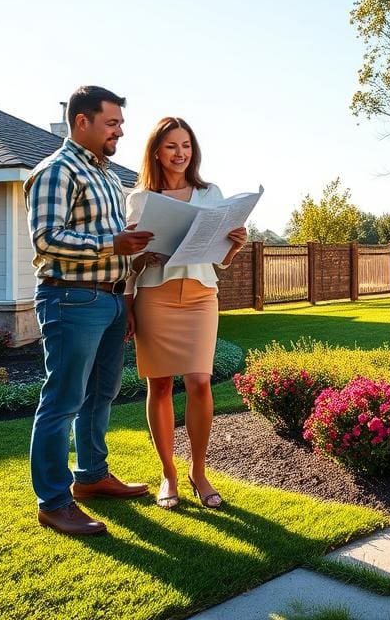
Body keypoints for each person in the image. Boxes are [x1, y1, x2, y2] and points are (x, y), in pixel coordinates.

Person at [26, 85, 155, 536]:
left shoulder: (105, 175)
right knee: (62, 401)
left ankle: (92, 476)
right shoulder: (55, 171)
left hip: (112, 297)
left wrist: (137, 251)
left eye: (120, 122)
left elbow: (111, 239)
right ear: (82, 121)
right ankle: (54, 501)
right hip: (71, 298)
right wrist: (111, 244)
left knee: (101, 394)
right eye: (112, 122)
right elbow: (46, 238)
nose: (121, 130)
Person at [125, 117, 247, 509]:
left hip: (199, 296)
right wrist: (143, 259)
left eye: (187, 146)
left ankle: (198, 470)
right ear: (156, 152)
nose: (180, 153)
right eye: (172, 146)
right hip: (155, 295)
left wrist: (235, 244)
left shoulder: (211, 194)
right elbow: (129, 263)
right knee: (159, 385)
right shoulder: (140, 199)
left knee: (199, 381)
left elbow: (221, 261)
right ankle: (168, 474)